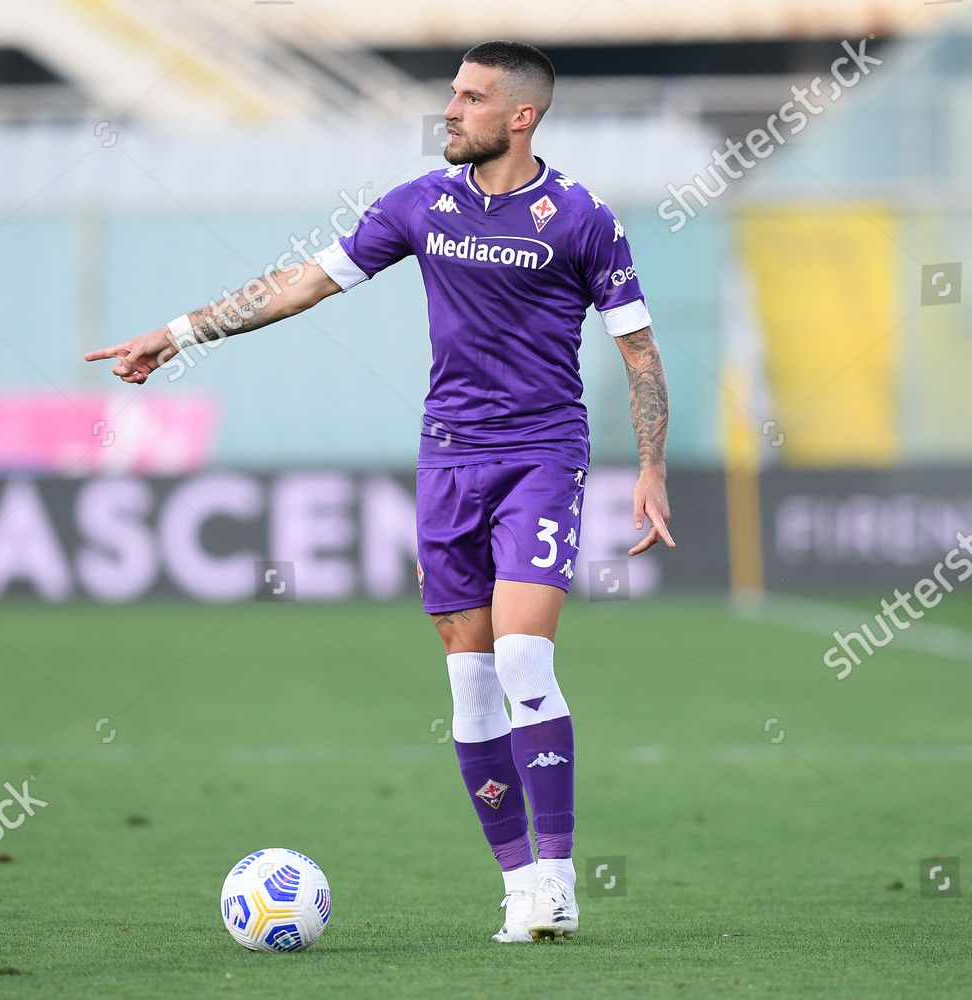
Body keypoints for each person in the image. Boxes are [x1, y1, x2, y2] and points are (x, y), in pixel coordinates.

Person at [85, 39, 673, 942]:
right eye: (452, 93)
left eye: (472, 98)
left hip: (541, 455)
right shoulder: (419, 204)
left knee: (523, 663)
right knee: (471, 691)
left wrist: (652, 468)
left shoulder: (583, 218)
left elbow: (638, 351)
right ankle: (515, 882)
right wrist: (179, 332)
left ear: (521, 116)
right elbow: (300, 285)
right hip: (447, 461)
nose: (449, 109)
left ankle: (556, 878)